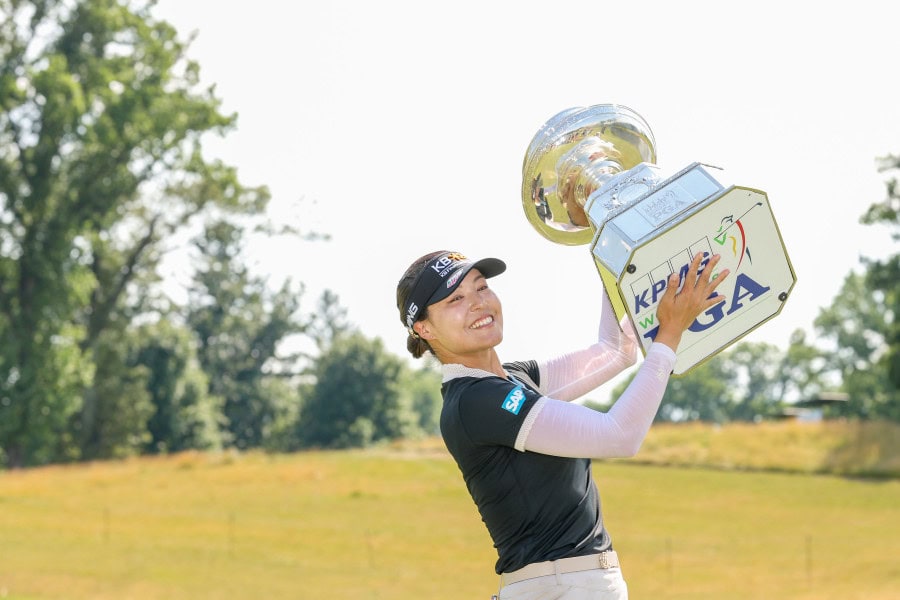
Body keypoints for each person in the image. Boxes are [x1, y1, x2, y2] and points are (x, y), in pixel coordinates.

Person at [395, 249, 729, 599]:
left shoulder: (514, 378)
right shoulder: (477, 401)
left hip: (568, 584)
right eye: (456, 299)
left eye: (481, 288)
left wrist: (608, 247)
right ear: (424, 328)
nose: (478, 303)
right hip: (562, 587)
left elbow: (616, 351)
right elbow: (620, 436)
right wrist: (669, 336)